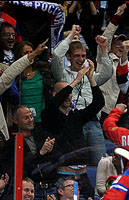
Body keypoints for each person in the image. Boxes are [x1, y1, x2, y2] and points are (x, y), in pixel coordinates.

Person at [40, 61, 104, 200]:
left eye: (71, 93)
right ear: (55, 94)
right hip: (63, 177)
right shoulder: (49, 115)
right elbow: (56, 101)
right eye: (66, 92)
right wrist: (76, 81)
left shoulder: (76, 116)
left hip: (83, 177)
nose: (69, 96)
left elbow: (99, 103)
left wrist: (90, 78)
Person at [51, 25, 112, 166]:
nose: (81, 59)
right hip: (73, 123)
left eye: (83, 56)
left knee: (101, 163)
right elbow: (57, 55)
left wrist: (104, 50)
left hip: (93, 122)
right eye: (77, 56)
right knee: (75, 162)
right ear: (69, 57)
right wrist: (71, 35)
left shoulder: (90, 75)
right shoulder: (62, 74)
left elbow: (107, 73)